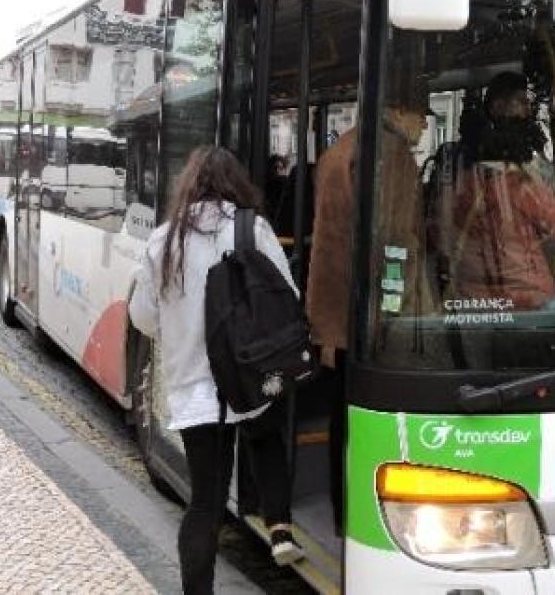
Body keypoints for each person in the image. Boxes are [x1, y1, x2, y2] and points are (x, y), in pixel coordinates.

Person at [128, 146, 303, 595]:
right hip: (250, 377)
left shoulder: (163, 240)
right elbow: (288, 298)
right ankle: (279, 524)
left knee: (205, 502)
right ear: (236, 183)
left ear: (188, 184)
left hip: (195, 391)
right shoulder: (253, 229)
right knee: (267, 439)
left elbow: (143, 318)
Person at [306, 94, 429, 533]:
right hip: (371, 315)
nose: (424, 125)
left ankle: (343, 514)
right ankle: (365, 521)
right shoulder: (391, 156)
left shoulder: (339, 149)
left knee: (343, 418)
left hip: (333, 309)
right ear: (396, 110)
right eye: (420, 112)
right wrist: (398, 311)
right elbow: (396, 242)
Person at [446, 71, 555, 309]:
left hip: (475, 303)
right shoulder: (517, 181)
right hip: (525, 306)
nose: (528, 111)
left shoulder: (460, 174)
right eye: (521, 102)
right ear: (498, 107)